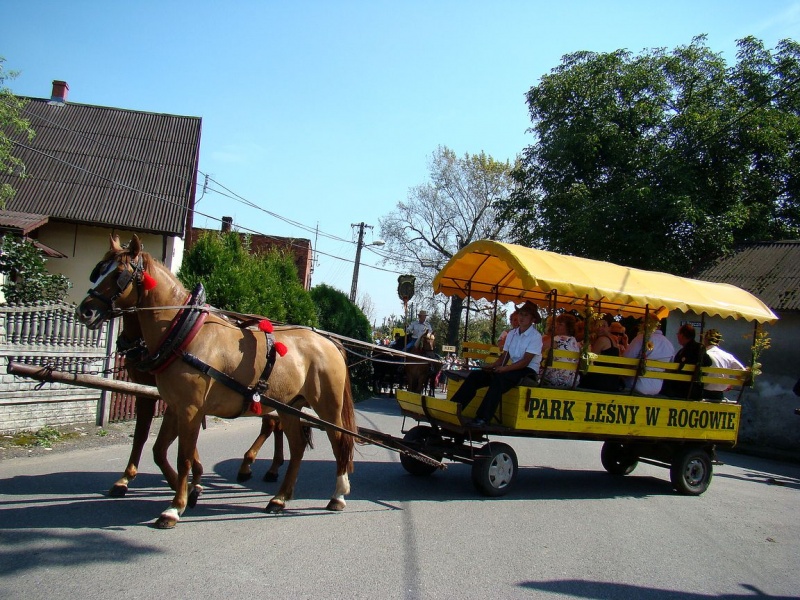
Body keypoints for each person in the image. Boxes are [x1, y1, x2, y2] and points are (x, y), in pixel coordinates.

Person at [450, 301, 543, 427]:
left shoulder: (535, 337)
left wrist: (505, 369)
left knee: (498, 380)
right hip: (512, 369)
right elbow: (505, 356)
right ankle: (452, 409)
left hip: (527, 372)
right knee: (475, 376)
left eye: (525, 315)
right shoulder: (512, 334)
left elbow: (525, 361)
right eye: (520, 314)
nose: (521, 317)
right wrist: (492, 366)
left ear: (533, 319)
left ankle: (482, 418)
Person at [623, 318, 675, 395]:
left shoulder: (641, 338)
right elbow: (670, 367)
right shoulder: (669, 344)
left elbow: (626, 358)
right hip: (657, 387)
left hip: (636, 384)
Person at [578, 316, 623, 392]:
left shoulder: (602, 339)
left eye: (604, 326)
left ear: (609, 328)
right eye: (598, 325)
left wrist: (583, 350)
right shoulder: (613, 341)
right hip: (612, 381)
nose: (600, 328)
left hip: (602, 381)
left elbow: (589, 359)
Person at [702, 329, 746, 402]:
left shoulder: (704, 354)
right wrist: (731, 383)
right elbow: (743, 371)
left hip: (703, 393)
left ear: (705, 340)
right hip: (719, 396)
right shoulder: (728, 356)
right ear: (718, 341)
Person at [540, 313, 581, 388]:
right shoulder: (575, 342)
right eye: (557, 324)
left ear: (568, 327)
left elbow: (539, 347)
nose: (556, 326)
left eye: (560, 324)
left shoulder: (558, 339)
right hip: (572, 380)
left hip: (556, 378)